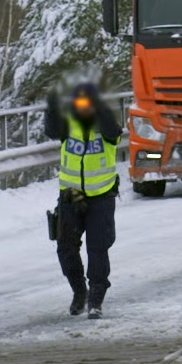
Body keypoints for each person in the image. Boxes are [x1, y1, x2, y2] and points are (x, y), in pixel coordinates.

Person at [46, 82, 122, 318]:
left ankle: (96, 300)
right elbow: (51, 129)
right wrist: (52, 104)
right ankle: (80, 292)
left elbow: (113, 130)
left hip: (101, 197)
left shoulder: (106, 126)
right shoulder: (68, 124)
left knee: (97, 249)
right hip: (71, 196)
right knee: (66, 248)